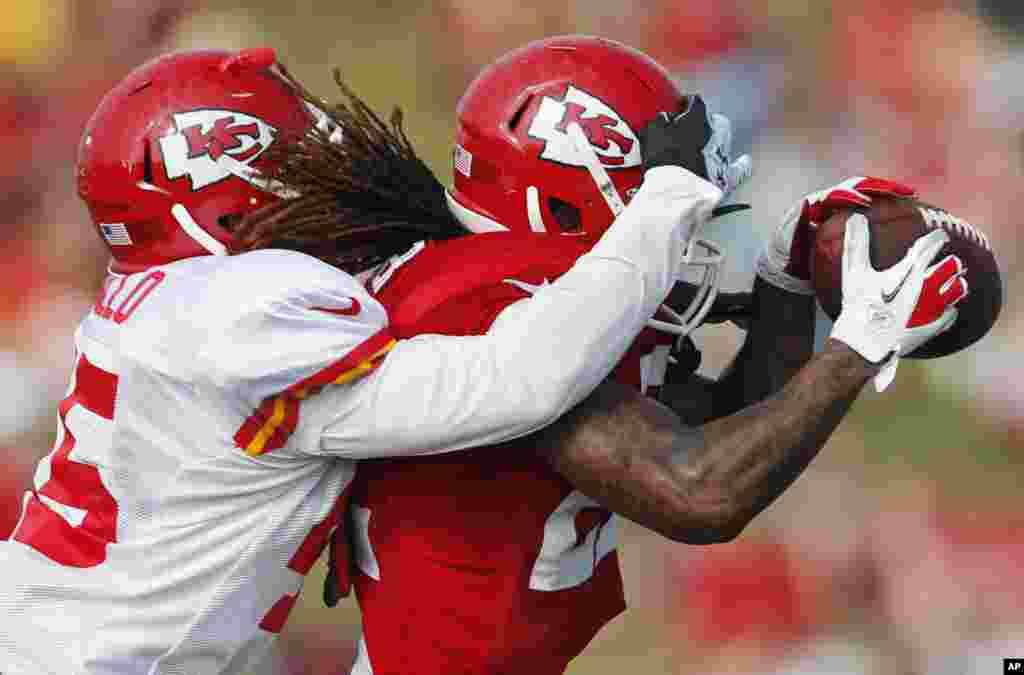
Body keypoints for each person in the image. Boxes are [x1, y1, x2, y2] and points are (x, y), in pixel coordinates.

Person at [0, 46, 749, 674]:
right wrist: (663, 203)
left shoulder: (162, 297)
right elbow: (514, 382)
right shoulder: (241, 313)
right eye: (294, 161)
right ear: (222, 206)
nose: (327, 170)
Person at [237, 37, 962, 674]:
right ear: (563, 207)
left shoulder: (517, 296)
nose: (688, 240)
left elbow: (720, 430)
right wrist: (859, 344)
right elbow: (701, 490)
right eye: (669, 203)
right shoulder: (494, 313)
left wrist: (786, 280)